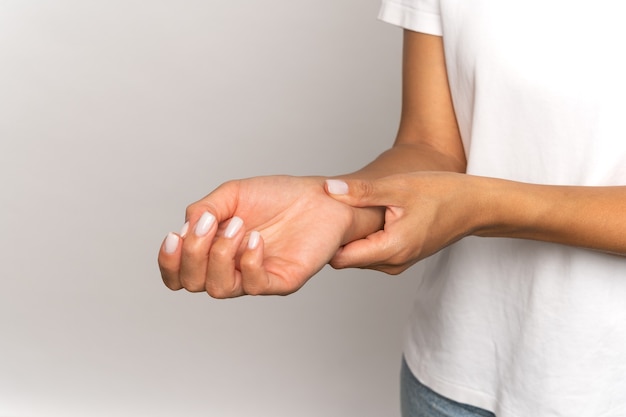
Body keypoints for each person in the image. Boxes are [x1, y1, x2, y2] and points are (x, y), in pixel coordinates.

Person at [159, 0, 626, 415]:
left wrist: (482, 206)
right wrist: (337, 204)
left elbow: (465, 194)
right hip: (455, 379)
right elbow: (433, 145)